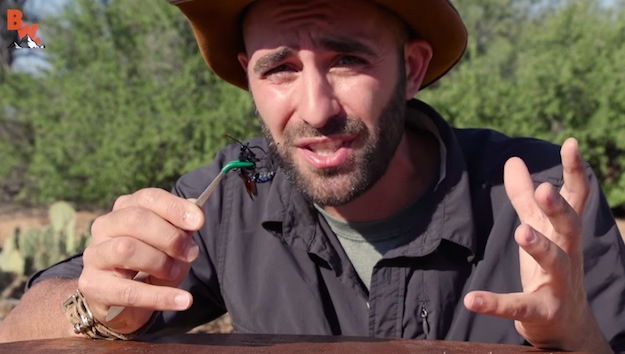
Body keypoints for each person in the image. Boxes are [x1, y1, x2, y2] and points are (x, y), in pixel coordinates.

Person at [0, 0, 623, 352]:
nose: (317, 107)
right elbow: (22, 328)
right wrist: (96, 307)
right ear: (249, 77)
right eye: (280, 69)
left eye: (347, 59)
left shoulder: (544, 200)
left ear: (411, 67)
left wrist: (578, 339)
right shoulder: (229, 193)